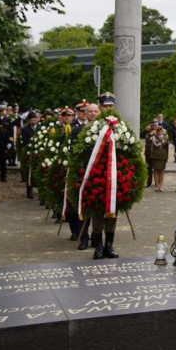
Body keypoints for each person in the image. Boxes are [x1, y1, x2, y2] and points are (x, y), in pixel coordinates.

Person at [89, 92, 119, 259]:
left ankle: (109, 245)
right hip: (97, 176)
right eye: (105, 106)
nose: (108, 108)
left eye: (111, 106)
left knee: (112, 211)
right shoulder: (93, 127)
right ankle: (98, 246)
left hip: (114, 176)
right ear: (100, 107)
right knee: (97, 212)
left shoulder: (119, 126)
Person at [70, 102, 100, 250]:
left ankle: (97, 237)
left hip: (100, 173)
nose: (93, 114)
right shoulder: (77, 131)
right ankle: (83, 237)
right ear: (85, 114)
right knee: (83, 207)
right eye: (90, 111)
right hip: (83, 174)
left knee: (99, 208)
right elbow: (73, 153)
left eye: (95, 111)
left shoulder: (105, 130)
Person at [19, 110, 40, 199]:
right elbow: (24, 142)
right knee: (29, 172)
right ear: (28, 121)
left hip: (39, 152)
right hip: (29, 152)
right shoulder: (25, 129)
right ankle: (29, 191)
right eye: (31, 120)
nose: (33, 122)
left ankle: (40, 191)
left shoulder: (40, 128)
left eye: (34, 120)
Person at [148, 124, 169, 192]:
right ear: (156, 131)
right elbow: (148, 141)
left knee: (162, 170)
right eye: (159, 131)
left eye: (161, 130)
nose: (160, 132)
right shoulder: (153, 137)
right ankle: (157, 185)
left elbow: (166, 146)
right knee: (156, 170)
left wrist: (167, 156)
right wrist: (151, 134)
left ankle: (161, 185)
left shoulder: (165, 137)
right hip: (155, 156)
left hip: (163, 156)